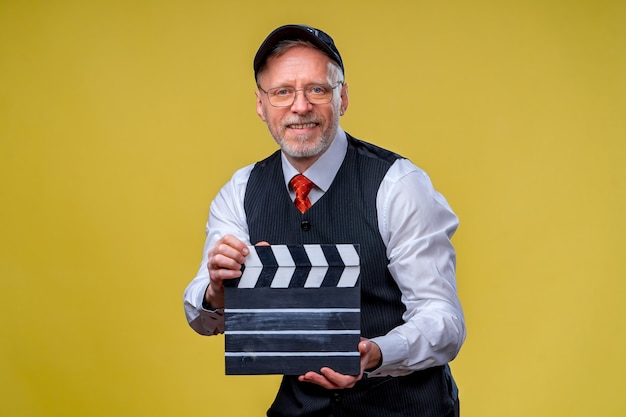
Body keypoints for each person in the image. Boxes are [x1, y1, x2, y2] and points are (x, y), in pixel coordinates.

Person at [183, 24, 466, 417]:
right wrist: (218, 290)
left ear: (343, 97)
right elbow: (201, 317)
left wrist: (376, 353)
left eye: (317, 89)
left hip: (407, 408)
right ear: (261, 105)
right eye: (282, 92)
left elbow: (443, 320)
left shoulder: (399, 185)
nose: (300, 106)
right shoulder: (241, 190)